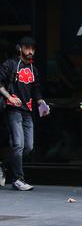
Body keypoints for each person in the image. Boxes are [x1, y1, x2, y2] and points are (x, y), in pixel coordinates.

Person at [0, 36, 50, 191]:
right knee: (18, 144)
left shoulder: (33, 69)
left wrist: (42, 103)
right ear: (19, 48)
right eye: (27, 48)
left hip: (27, 111)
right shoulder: (10, 64)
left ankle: (3, 165)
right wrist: (9, 97)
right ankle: (17, 179)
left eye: (32, 49)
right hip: (13, 109)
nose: (30, 51)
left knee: (28, 146)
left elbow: (36, 90)